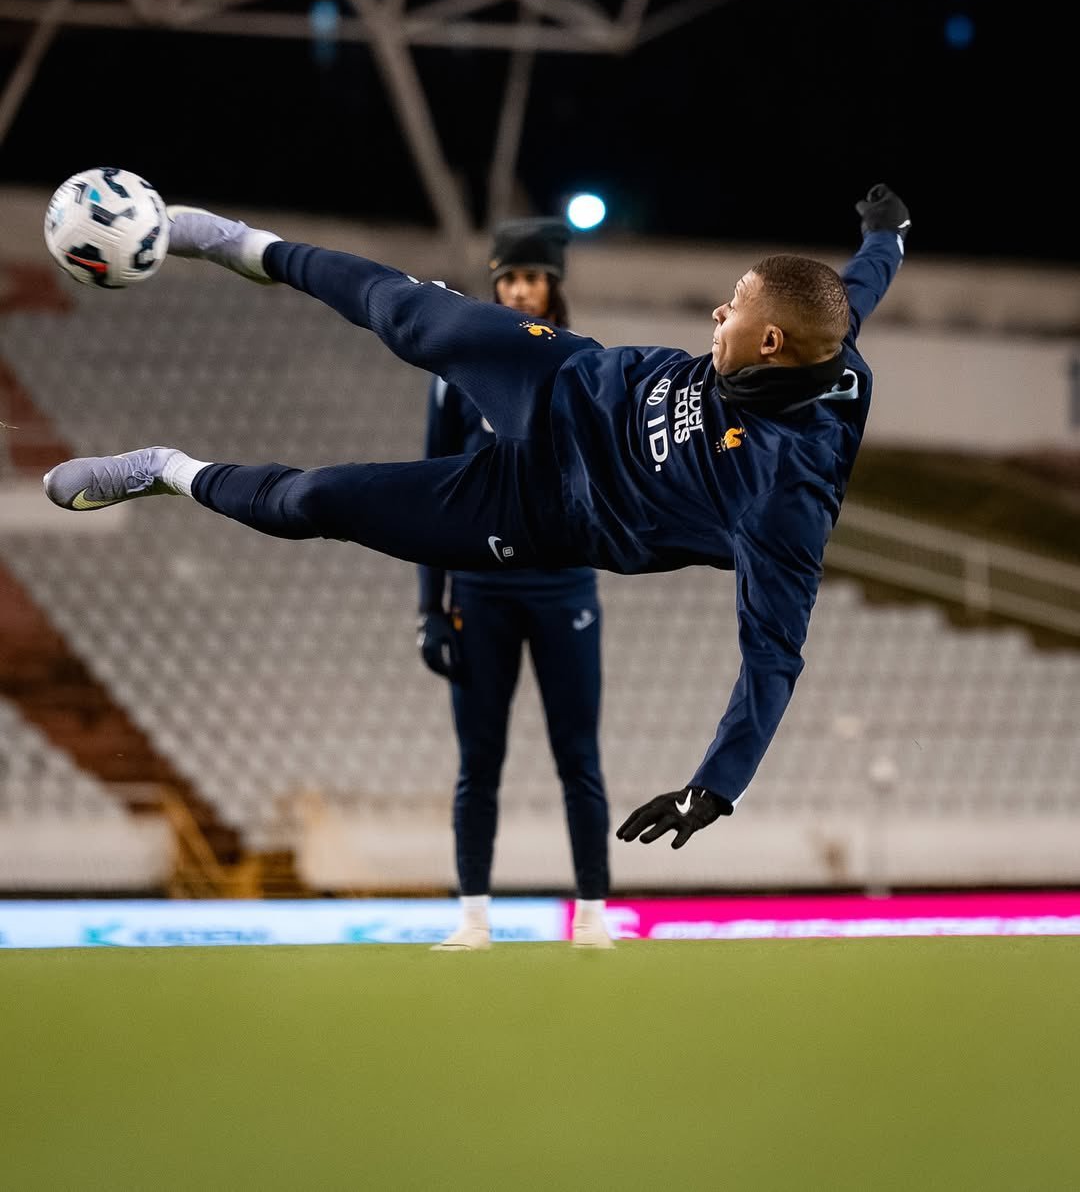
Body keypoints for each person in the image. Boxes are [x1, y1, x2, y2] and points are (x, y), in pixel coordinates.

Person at [43, 184, 911, 856]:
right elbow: (849, 294)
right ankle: (238, 244)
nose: (719, 312)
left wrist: (715, 786)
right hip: (564, 380)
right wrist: (886, 237)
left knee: (317, 504)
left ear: (770, 346)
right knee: (404, 311)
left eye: (736, 308)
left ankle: (165, 470)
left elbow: (773, 655)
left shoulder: (783, 496)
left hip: (537, 510)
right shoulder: (821, 338)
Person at [417, 217, 612, 950]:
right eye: (508, 278)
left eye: (531, 277)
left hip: (564, 592)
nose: (520, 290)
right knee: (479, 763)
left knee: (579, 758)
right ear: (495, 286)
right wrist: (428, 609)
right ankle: (472, 919)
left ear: (553, 285)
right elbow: (433, 492)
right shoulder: (457, 373)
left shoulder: (586, 369)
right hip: (479, 591)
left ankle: (593, 917)